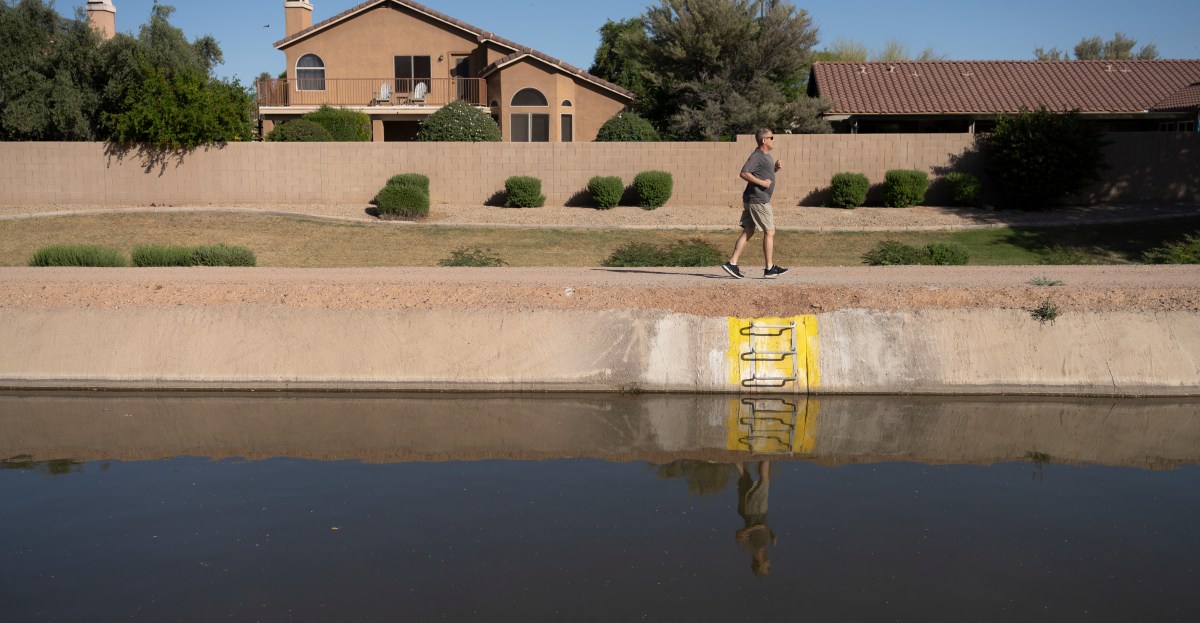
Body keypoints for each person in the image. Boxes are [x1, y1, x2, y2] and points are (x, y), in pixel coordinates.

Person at [722, 129, 788, 280]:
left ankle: (732, 263)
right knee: (770, 232)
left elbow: (762, 174)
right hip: (758, 200)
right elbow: (744, 173)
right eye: (771, 137)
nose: (773, 140)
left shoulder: (765, 156)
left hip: (754, 199)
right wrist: (762, 183)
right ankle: (769, 268)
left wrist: (774, 169)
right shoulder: (757, 155)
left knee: (749, 230)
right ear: (764, 140)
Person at [734, 461, 776, 576]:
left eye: (767, 567)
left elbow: (739, 535)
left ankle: (765, 455)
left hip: (755, 510)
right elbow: (762, 529)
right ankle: (733, 454)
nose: (769, 564)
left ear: (760, 565)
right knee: (745, 477)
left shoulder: (752, 549)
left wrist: (755, 527)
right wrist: (771, 534)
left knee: (765, 481)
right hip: (753, 511)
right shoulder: (761, 548)